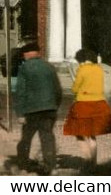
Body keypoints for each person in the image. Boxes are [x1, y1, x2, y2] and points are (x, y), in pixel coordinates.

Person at [62, 49, 111, 168]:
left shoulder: (82, 69)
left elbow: (75, 89)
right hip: (98, 103)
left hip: (83, 104)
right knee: (92, 135)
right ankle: (94, 162)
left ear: (81, 59)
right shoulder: (99, 69)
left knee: (80, 134)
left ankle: (87, 162)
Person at [14, 40, 62, 176]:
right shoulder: (49, 66)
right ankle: (51, 167)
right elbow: (58, 89)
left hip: (31, 111)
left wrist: (20, 114)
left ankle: (23, 165)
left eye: (23, 54)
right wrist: (55, 106)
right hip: (49, 109)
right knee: (47, 138)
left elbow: (21, 92)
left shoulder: (24, 68)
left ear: (27, 54)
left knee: (26, 139)